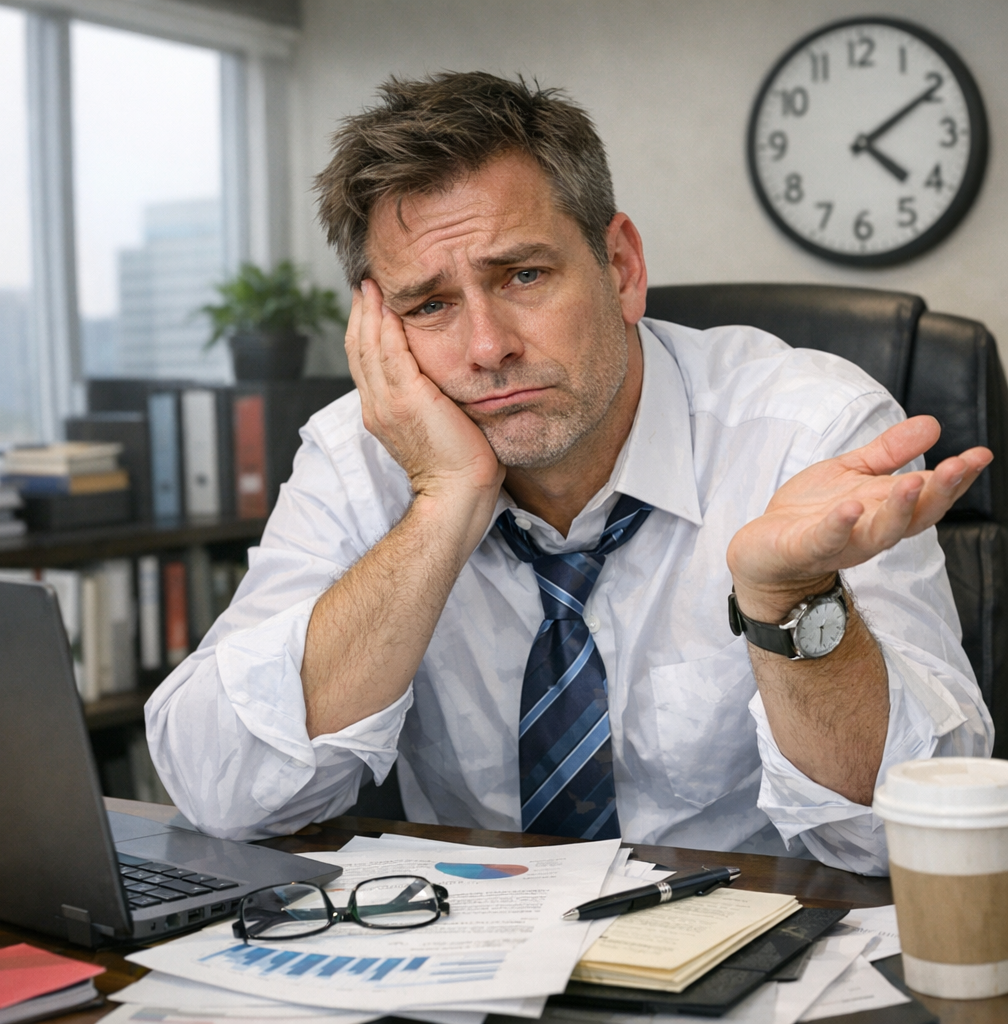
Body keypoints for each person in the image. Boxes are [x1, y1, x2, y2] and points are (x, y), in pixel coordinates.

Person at [147, 72, 993, 875]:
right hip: (466, 959)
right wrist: (444, 504)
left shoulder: (810, 433)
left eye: (522, 274)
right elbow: (221, 793)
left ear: (620, 267)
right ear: (381, 329)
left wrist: (791, 603)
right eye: (429, 305)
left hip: (767, 963)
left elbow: (910, 835)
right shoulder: (359, 454)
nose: (487, 348)